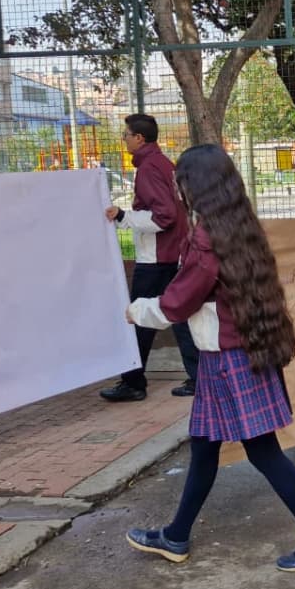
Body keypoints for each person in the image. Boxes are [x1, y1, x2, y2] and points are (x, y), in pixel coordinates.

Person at [123, 144, 295, 571]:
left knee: (264, 453)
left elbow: (176, 303)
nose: (178, 189)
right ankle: (176, 536)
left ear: (196, 185)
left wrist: (135, 310)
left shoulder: (207, 238)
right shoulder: (237, 225)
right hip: (240, 356)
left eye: (181, 181)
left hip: (230, 361)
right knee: (205, 450)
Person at [103, 114, 199, 401]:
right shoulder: (164, 164)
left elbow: (164, 216)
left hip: (156, 256)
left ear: (139, 138)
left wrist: (123, 216)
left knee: (139, 316)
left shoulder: (147, 169)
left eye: (126, 134)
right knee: (180, 315)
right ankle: (197, 377)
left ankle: (133, 382)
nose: (124, 139)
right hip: (173, 252)